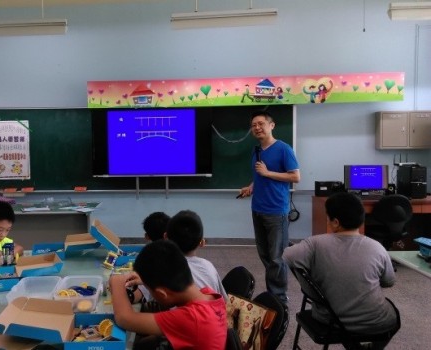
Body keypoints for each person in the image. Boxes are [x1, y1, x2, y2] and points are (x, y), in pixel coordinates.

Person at [283, 192, 398, 348]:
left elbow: (286, 256)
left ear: (335, 222)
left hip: (329, 319)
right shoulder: (377, 247)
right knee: (394, 316)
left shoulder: (315, 244)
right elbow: (388, 282)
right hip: (375, 321)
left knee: (341, 312)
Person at [109, 240, 227, 350]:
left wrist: (116, 281)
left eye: (150, 291)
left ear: (162, 293)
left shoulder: (190, 318)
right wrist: (148, 280)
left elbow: (124, 318)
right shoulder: (208, 294)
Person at [238, 110, 300, 303]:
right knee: (265, 255)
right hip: (258, 208)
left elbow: (295, 176)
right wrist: (251, 186)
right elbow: (259, 176)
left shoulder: (283, 149)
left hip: (276, 211)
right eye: (253, 125)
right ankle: (273, 292)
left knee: (276, 257)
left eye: (261, 124)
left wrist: (267, 173)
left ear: (271, 126)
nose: (257, 128)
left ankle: (279, 298)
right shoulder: (256, 150)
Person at [165, 210, 228, 302]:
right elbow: (223, 302)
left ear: (166, 238)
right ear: (202, 242)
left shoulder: (162, 268)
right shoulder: (208, 266)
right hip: (213, 314)